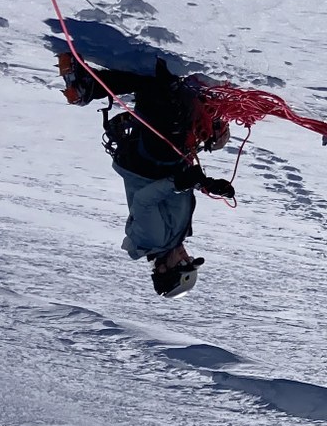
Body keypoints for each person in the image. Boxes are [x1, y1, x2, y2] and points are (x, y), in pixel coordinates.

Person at [56, 51, 236, 298]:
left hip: (146, 167)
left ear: (162, 268)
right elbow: (176, 196)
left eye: (182, 264)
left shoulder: (152, 239)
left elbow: (144, 201)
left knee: (169, 108)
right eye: (190, 260)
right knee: (186, 114)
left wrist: (179, 182)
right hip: (164, 167)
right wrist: (206, 185)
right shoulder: (173, 239)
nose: (186, 257)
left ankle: (96, 85)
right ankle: (92, 86)